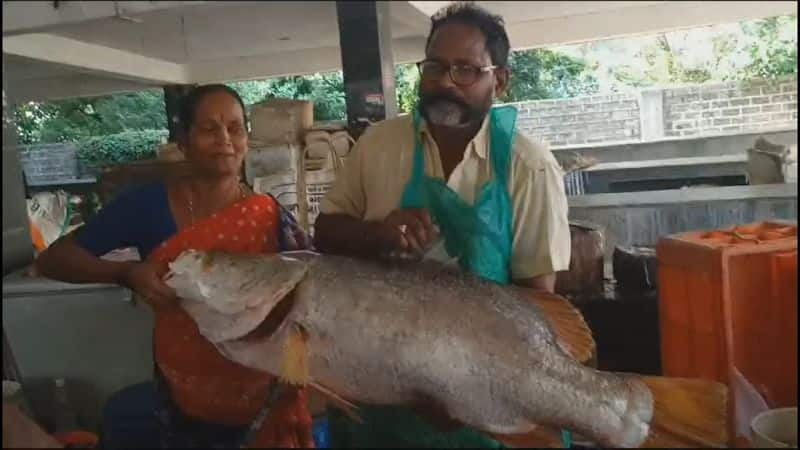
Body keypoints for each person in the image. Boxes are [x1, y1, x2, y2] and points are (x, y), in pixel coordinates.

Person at [314, 2, 571, 447]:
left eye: (466, 71)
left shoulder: (528, 167)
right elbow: (324, 235)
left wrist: (464, 390)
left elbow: (538, 305)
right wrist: (377, 234)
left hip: (488, 400)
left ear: (500, 80)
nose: (444, 84)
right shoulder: (378, 146)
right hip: (381, 395)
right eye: (433, 68)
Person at [35, 84, 314, 449]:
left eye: (234, 128)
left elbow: (305, 311)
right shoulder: (146, 205)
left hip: (263, 395)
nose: (225, 140)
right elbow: (54, 260)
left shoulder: (270, 215)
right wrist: (126, 274)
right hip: (184, 398)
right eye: (209, 129)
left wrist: (295, 395)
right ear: (183, 141)